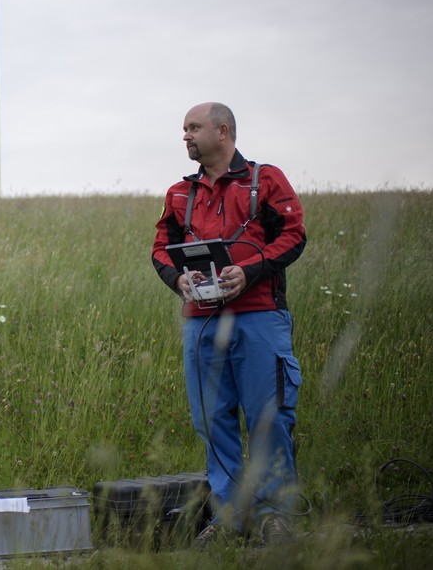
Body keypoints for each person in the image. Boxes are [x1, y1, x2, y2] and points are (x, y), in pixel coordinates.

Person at [151, 102, 307, 546]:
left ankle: (276, 516)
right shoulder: (180, 194)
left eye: (193, 128)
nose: (185, 136)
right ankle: (230, 517)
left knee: (267, 417)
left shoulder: (266, 180)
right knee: (212, 419)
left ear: (223, 132)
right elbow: (161, 248)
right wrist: (179, 277)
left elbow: (294, 236)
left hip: (260, 316)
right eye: (183, 129)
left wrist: (252, 268)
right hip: (199, 321)